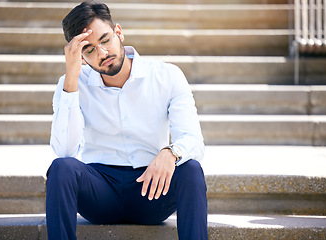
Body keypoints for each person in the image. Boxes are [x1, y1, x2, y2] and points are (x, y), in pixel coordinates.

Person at [46, 1, 208, 239]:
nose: (102, 53)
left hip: (152, 189)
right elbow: (64, 150)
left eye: (105, 40)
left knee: (191, 169)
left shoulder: (167, 76)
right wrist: (71, 79)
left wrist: (170, 153)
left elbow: (193, 139)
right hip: (100, 192)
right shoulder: (71, 83)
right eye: (89, 50)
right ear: (80, 57)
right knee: (61, 168)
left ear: (118, 33)